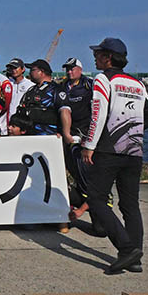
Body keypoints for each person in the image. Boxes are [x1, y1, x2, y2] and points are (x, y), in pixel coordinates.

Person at [81, 38, 148, 275]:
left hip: (108, 150)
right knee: (130, 204)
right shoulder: (137, 83)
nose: (95, 57)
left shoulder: (104, 79)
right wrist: (132, 131)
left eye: (98, 53)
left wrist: (89, 145)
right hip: (134, 151)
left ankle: (126, 249)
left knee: (95, 199)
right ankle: (134, 258)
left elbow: (98, 114)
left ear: (108, 58)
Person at [58, 57, 102, 224]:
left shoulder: (89, 84)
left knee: (87, 174)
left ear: (80, 70)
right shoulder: (62, 86)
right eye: (67, 69)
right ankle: (71, 207)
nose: (69, 72)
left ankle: (98, 214)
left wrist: (91, 137)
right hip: (68, 136)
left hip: (84, 136)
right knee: (71, 171)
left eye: (72, 69)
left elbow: (99, 108)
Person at [17, 59, 65, 136]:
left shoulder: (56, 90)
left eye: (32, 70)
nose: (29, 73)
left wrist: (65, 133)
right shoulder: (31, 90)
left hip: (49, 135)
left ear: (41, 71)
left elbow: (65, 112)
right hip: (29, 136)